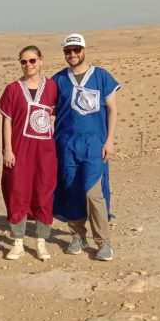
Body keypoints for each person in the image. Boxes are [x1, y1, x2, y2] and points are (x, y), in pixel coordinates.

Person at [52, 33, 120, 261]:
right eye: (68, 51)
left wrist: (109, 140)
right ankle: (77, 236)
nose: (72, 54)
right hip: (66, 145)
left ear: (84, 50)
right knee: (72, 191)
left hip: (94, 145)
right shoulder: (58, 80)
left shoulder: (101, 76)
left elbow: (112, 109)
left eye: (76, 50)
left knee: (93, 194)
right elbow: (45, 109)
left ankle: (103, 242)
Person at [0, 46, 58, 261]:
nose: (28, 65)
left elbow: (61, 113)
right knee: (18, 193)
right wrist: (8, 150)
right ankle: (18, 242)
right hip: (20, 151)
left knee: (43, 193)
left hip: (44, 153)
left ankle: (41, 242)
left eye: (32, 60)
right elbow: (7, 121)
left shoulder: (52, 87)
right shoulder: (13, 89)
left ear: (40, 60)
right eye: (23, 62)